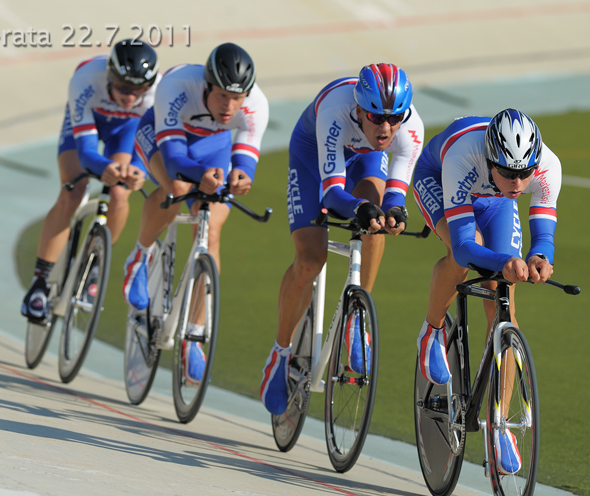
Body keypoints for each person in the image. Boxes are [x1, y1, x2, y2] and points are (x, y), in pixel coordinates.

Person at [260, 63, 425, 415]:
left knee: (377, 218)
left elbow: (396, 194)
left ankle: (357, 315)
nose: (386, 128)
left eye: (394, 118)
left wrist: (394, 212)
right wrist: (360, 206)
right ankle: (280, 351)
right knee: (310, 259)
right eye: (376, 117)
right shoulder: (336, 111)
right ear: (358, 109)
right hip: (312, 155)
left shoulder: (410, 129)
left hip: (366, 160)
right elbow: (333, 195)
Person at [411, 108, 561, 474]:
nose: (519, 181)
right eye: (509, 173)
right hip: (437, 179)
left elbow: (543, 232)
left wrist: (540, 257)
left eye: (525, 173)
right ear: (492, 159)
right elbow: (464, 245)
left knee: (504, 297)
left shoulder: (547, 166)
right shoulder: (465, 153)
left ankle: (501, 425)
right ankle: (432, 330)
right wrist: (503, 261)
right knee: (463, 258)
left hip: (494, 202)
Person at [122, 42, 269, 384]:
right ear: (206, 86)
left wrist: (241, 176)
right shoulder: (176, 86)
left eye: (237, 98)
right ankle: (139, 257)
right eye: (221, 96)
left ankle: (195, 334)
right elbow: (173, 159)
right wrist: (197, 176)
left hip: (212, 147)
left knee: (212, 229)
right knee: (177, 188)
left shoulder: (255, 105)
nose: (230, 106)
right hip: (165, 139)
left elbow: (246, 155)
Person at [21, 39, 159, 323]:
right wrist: (103, 166)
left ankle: (95, 263)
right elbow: (85, 153)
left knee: (120, 193)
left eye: (139, 90)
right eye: (123, 87)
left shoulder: (158, 94)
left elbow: (147, 146)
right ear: (109, 75)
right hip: (86, 122)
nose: (131, 97)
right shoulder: (85, 79)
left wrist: (135, 170)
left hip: (125, 129)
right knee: (72, 191)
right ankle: (39, 281)